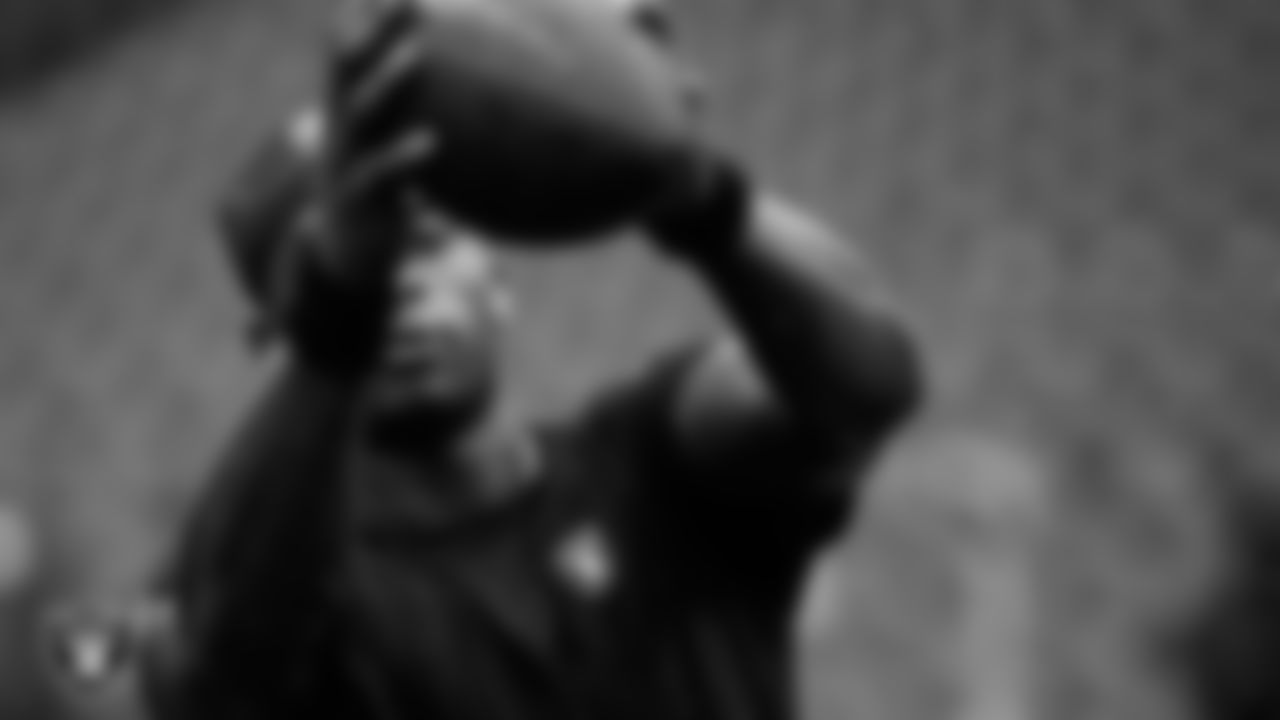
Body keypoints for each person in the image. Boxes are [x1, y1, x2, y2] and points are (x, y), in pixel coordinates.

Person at [138, 0, 925, 717]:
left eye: (426, 246)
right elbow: (210, 685)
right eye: (358, 270)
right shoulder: (299, 599)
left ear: (497, 271)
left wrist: (705, 199)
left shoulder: (664, 462)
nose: (396, 293)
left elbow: (871, 388)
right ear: (279, 343)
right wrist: (338, 305)